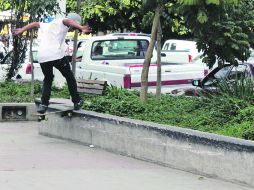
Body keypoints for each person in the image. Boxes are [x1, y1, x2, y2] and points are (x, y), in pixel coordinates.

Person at [12, 13, 91, 113]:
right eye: (74, 28)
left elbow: (35, 24)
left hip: (42, 56)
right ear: (74, 22)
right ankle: (77, 101)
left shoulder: (48, 24)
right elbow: (68, 21)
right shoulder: (64, 21)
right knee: (69, 76)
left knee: (48, 79)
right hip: (55, 55)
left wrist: (21, 30)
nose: (72, 30)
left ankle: (44, 104)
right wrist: (81, 27)